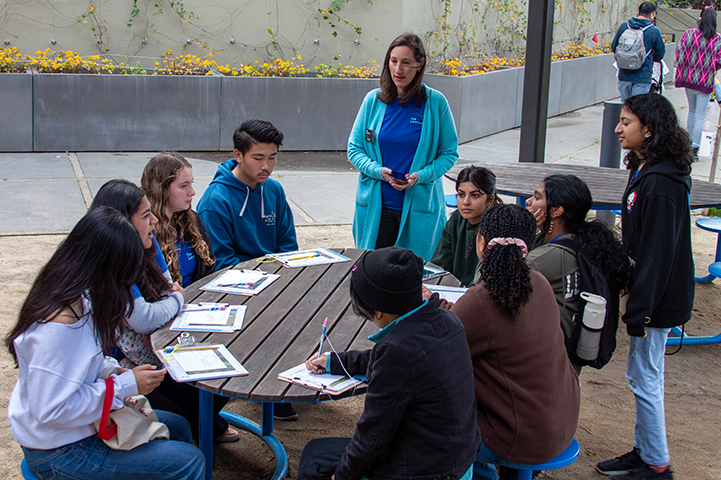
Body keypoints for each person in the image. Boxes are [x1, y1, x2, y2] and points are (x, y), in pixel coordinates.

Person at [6, 207, 205, 480]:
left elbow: (82, 364)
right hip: (60, 449)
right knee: (190, 461)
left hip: (76, 429)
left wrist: (112, 371)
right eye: (124, 275)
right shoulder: (58, 328)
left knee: (179, 426)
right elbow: (51, 411)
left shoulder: (79, 295)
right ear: (104, 269)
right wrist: (125, 385)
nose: (126, 286)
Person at [296, 247, 480, 480]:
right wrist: (335, 361)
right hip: (459, 458)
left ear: (378, 312)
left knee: (314, 457)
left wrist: (341, 477)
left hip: (425, 471)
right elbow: (398, 360)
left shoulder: (396, 352)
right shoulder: (448, 321)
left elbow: (372, 438)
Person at [434, 204, 580, 480]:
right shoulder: (540, 282)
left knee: (430, 417)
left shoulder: (483, 299)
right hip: (561, 421)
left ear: (481, 242)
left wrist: (428, 302)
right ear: (530, 245)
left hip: (520, 437)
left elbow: (441, 343)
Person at [90, 179, 239, 441]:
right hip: (125, 364)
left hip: (157, 349)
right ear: (121, 223)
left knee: (224, 379)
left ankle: (197, 428)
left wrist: (170, 300)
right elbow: (144, 318)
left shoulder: (148, 243)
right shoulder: (111, 262)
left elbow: (167, 287)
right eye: (146, 215)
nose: (155, 221)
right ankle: (189, 435)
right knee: (188, 407)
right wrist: (177, 302)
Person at [597, 94, 694, 480]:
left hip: (658, 299)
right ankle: (645, 450)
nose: (618, 128)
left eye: (626, 122)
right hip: (653, 295)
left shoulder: (660, 183)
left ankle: (657, 464)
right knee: (644, 374)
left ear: (648, 130)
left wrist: (640, 308)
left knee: (644, 377)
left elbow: (657, 253)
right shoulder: (648, 170)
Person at [347, 33, 459, 261]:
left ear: (419, 65)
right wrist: (378, 171)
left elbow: (449, 153)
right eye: (393, 60)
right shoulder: (373, 100)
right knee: (374, 272)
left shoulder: (435, 103)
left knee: (414, 277)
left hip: (419, 208)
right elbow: (355, 149)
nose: (398, 69)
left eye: (406, 62)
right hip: (377, 209)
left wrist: (421, 175)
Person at [525, 174, 633, 370]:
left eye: (537, 197)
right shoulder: (581, 242)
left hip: (545, 364)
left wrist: (520, 233)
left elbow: (488, 283)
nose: (529, 201)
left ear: (556, 210)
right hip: (565, 361)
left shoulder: (549, 257)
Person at [197, 119, 298, 270]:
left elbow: (288, 247)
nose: (266, 166)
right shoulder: (215, 202)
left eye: (272, 158)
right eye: (258, 158)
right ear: (238, 155)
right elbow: (221, 263)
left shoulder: (274, 189)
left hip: (278, 277)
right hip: (234, 283)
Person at [141, 152, 215, 288]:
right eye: (183, 186)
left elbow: (209, 268)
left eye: (191, 183)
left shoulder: (190, 219)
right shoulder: (144, 229)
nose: (192, 192)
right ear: (161, 190)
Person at [430, 165, 500, 287]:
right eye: (461, 194)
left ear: (490, 199)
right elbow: (439, 265)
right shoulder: (457, 218)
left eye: (475, 195)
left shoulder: (497, 225)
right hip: (453, 290)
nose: (466, 202)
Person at [674, 6, 721, 159]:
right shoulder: (717, 38)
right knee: (701, 115)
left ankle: (688, 142)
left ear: (700, 17)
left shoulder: (689, 34)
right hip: (706, 81)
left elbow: (679, 52)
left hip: (689, 79)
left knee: (692, 112)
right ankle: (695, 149)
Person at [611, 2, 665, 101]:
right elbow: (660, 54)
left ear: (638, 11)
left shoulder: (625, 26)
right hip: (643, 75)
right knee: (638, 108)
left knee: (626, 106)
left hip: (624, 74)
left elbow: (614, 46)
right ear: (652, 14)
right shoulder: (653, 31)